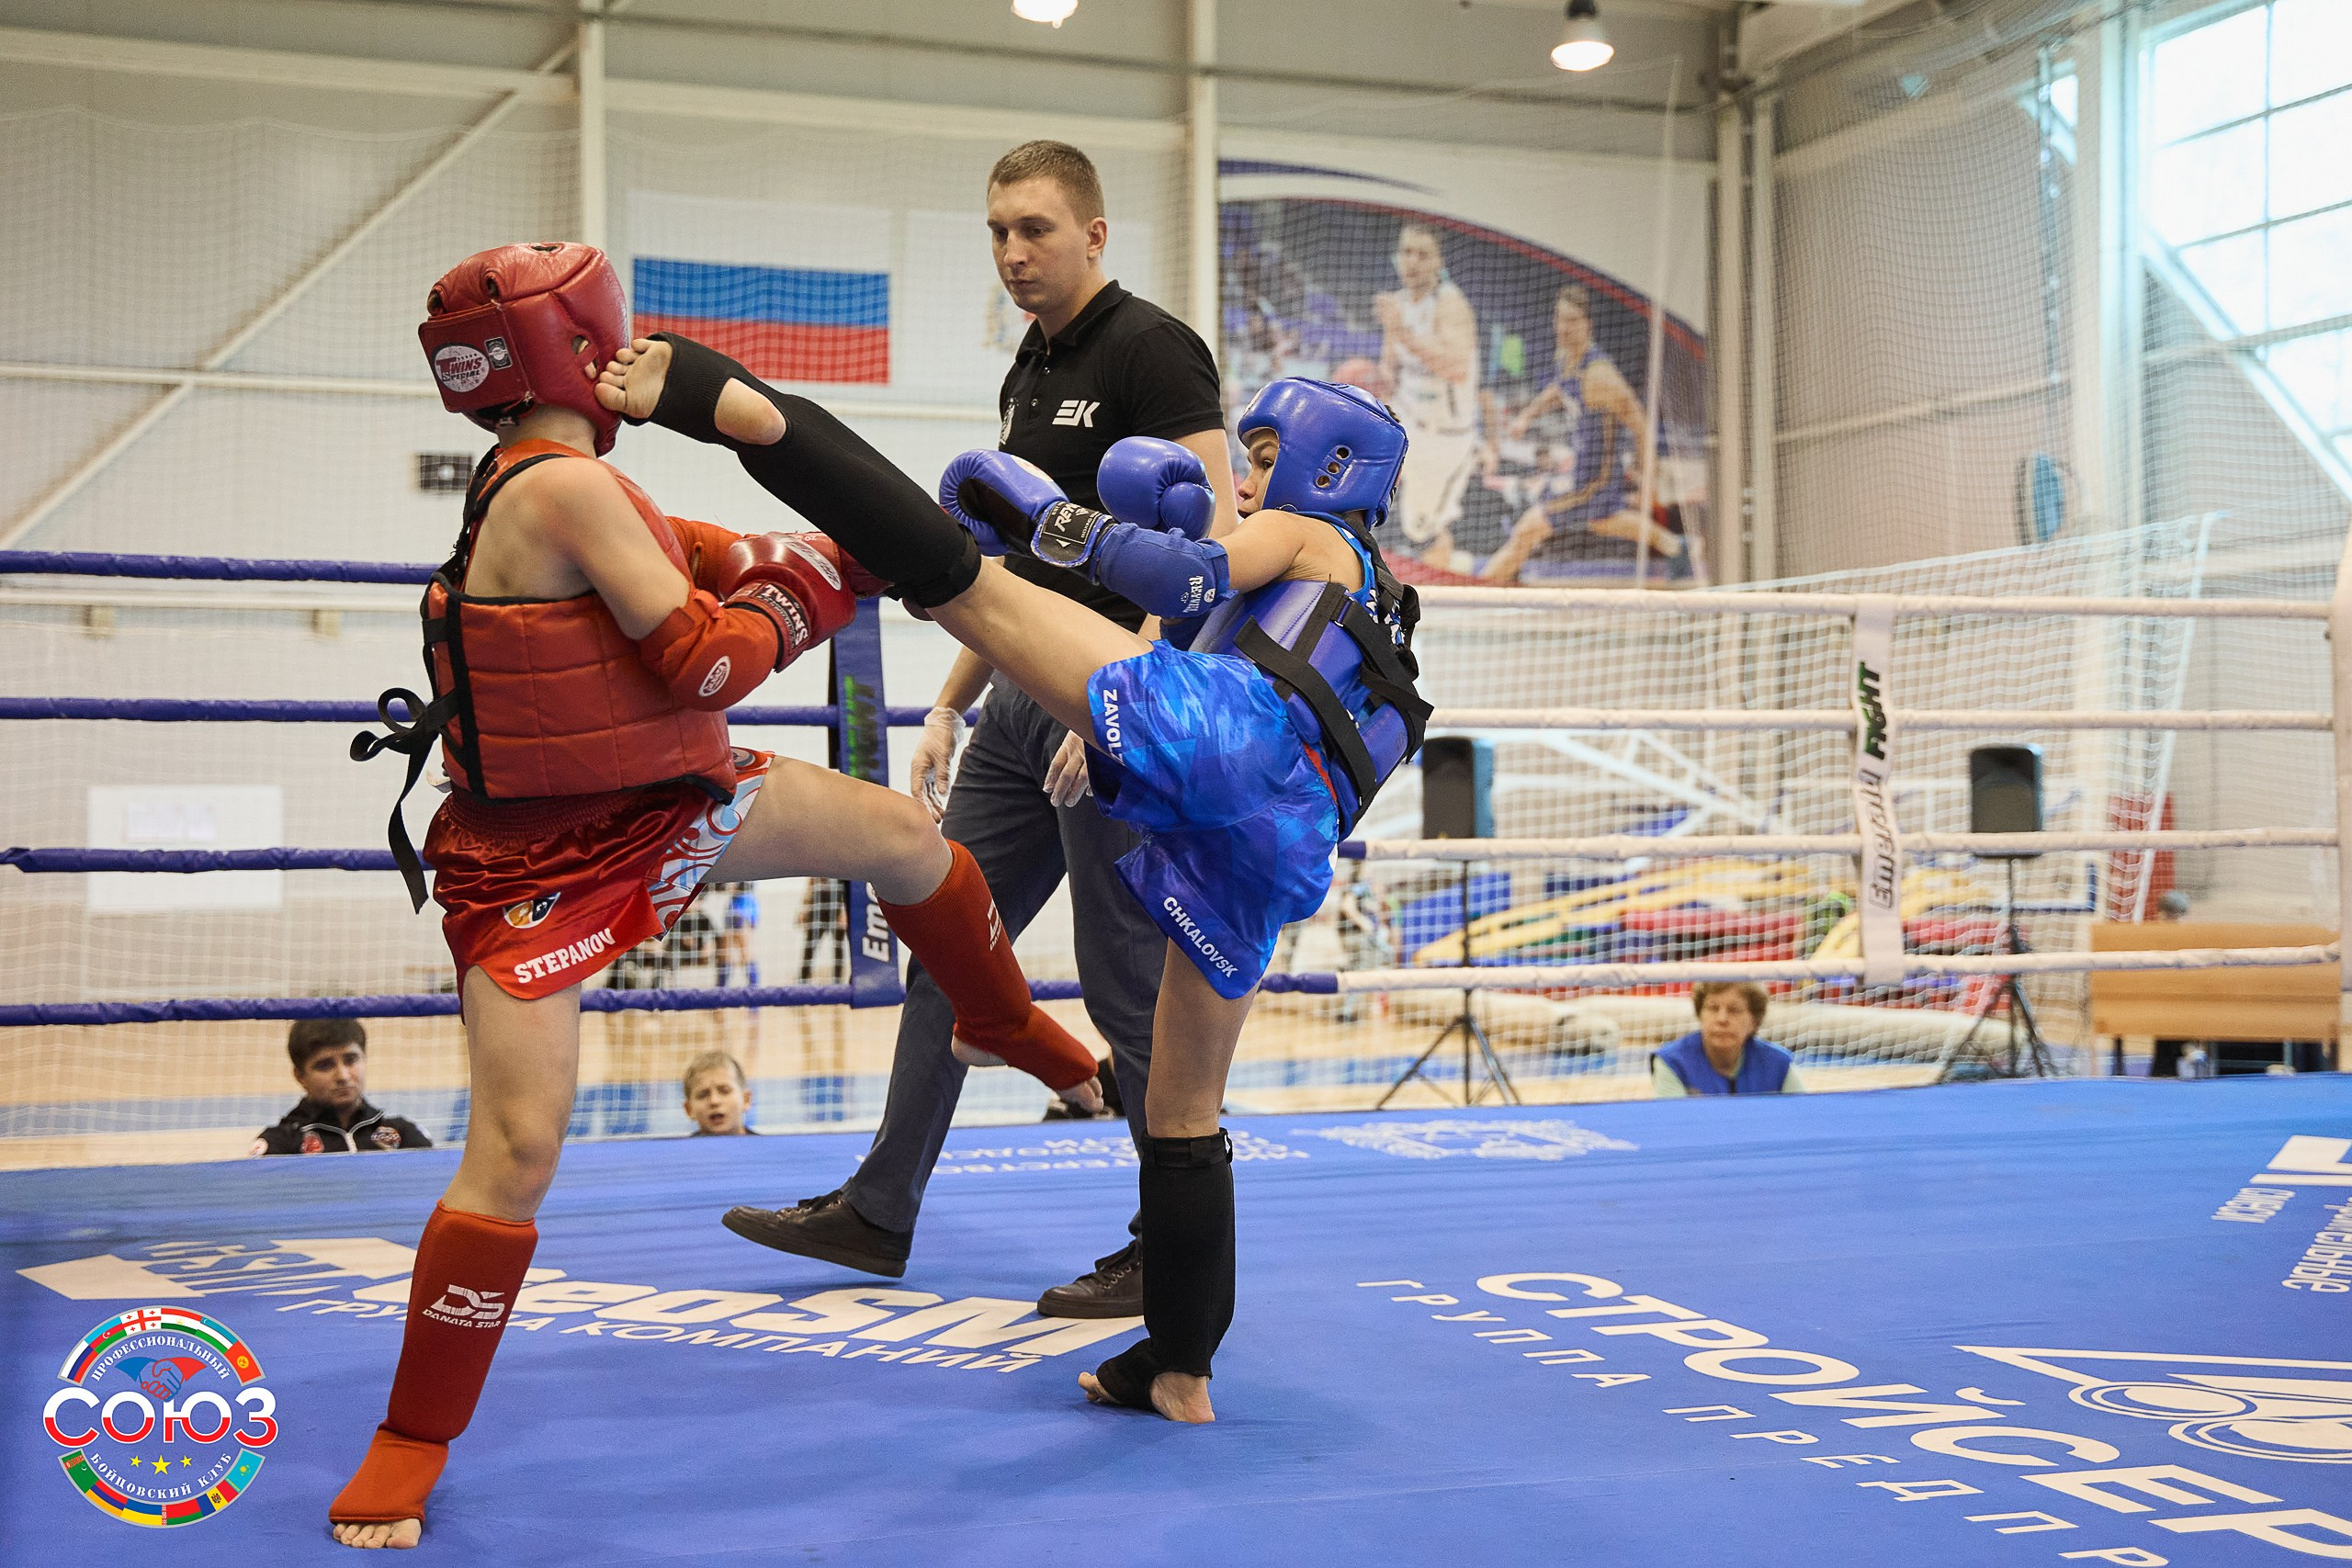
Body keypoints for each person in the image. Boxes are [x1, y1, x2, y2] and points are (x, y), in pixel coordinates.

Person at [327, 242, 1099, 1550]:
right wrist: (808, 585)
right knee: (516, 1150)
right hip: (532, 864)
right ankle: (413, 1434)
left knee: (907, 839)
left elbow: (723, 551)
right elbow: (697, 659)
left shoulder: (560, 478)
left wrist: (852, 545)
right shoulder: (563, 486)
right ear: (576, 341)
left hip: (662, 805)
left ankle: (1006, 1022)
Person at [594, 330, 1430, 1426]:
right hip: (1275, 838)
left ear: (1328, 468)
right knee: (1182, 1110)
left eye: (1267, 451)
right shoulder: (1373, 593)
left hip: (1230, 742)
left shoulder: (1305, 529)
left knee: (963, 584)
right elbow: (1203, 609)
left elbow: (1191, 575)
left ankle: (722, 400)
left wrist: (1056, 523)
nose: (1247, 475)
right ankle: (1178, 1369)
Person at [718, 141, 1234, 1318]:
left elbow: (1214, 548)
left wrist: (1129, 692)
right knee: (949, 942)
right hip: (1015, 708)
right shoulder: (1030, 365)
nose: (1012, 253)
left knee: (1128, 990)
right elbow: (997, 563)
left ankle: (1168, 1250)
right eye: (998, 230)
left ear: (1094, 236)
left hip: (1116, 710)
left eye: (1035, 230)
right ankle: (878, 1208)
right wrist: (950, 702)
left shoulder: (1153, 351)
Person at [1481, 285, 1679, 584]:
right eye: (1560, 319)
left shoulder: (1600, 377)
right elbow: (1558, 389)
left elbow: (1640, 424)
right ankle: (1678, 549)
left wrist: (1649, 476)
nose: (1564, 327)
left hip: (1595, 479)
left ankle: (1474, 594)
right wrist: (1526, 415)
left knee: (1527, 528)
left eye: (1572, 320)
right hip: (1582, 468)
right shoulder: (1568, 358)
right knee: (1605, 521)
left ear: (1588, 325)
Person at [1375, 222, 1480, 570]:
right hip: (1409, 424)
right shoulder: (1399, 304)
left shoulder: (1450, 305)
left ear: (1439, 261)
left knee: (1423, 530)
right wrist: (1371, 379)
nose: (1412, 261)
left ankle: (1455, 578)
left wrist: (1402, 331)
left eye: (1422, 254)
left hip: (1444, 439)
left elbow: (1456, 368)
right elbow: (1389, 372)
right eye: (1407, 252)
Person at [250, 1019, 433, 1155]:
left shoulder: (403, 1133)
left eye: (351, 1060)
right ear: (300, 1076)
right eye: (325, 1065)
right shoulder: (280, 1143)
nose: (343, 1076)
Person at [1650, 982, 1805, 1097]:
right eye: (1713, 1008)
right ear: (1700, 1014)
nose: (1722, 1019)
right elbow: (1674, 1127)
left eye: (1734, 1011)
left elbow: (1804, 1117)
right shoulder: (1672, 1062)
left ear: (1754, 1021)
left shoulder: (1778, 1064)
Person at [684, 1049, 756, 1135]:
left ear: (746, 1099)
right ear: (689, 1109)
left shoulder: (768, 1148)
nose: (714, 1101)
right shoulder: (679, 1149)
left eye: (725, 1091)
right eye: (703, 1095)